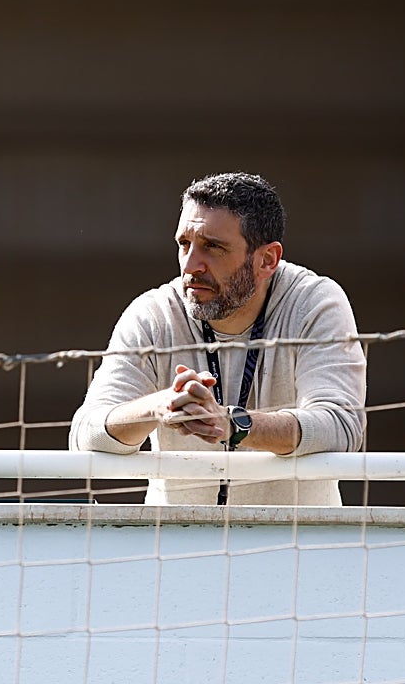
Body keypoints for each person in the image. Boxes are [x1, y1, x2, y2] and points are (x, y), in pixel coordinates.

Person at [69, 171, 366, 505]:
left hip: (294, 545)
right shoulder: (153, 312)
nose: (191, 266)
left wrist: (232, 424)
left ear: (267, 260)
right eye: (184, 244)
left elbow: (341, 427)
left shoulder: (314, 301)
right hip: (173, 547)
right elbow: (85, 435)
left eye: (213, 247)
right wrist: (159, 406)